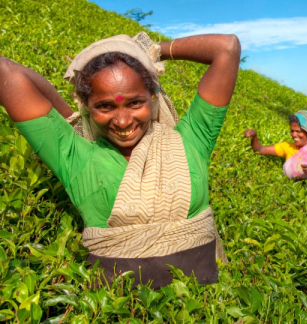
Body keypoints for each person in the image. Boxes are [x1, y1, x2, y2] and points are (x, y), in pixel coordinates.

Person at [0, 32, 241, 288]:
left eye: (135, 102)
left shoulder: (192, 140)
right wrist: (72, 119)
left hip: (204, 307)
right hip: (115, 310)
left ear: (154, 96)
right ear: (87, 107)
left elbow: (226, 47)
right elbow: (5, 70)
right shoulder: (75, 157)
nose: (123, 121)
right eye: (105, 106)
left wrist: (152, 50)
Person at [244, 110, 307, 185]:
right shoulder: (287, 147)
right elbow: (260, 149)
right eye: (292, 131)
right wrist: (254, 136)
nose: (294, 135)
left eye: (298, 131)